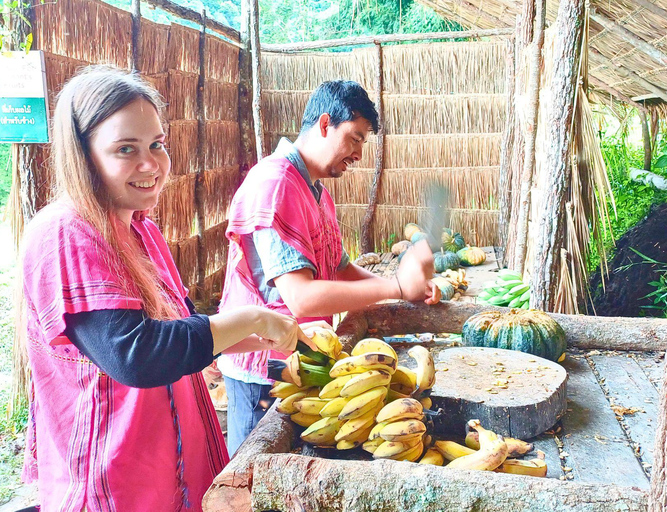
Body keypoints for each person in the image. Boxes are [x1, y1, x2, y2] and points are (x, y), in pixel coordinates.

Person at [19, 66, 313, 511]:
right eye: (125, 149)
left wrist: (235, 340)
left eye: (157, 144)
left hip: (170, 470)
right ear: (83, 155)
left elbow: (175, 330)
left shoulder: (142, 231)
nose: (150, 164)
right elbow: (136, 355)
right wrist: (251, 317)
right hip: (117, 481)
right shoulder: (66, 233)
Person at [218, 79, 440, 455]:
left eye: (362, 144)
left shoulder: (316, 191)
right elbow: (301, 298)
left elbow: (340, 268)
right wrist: (397, 287)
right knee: (254, 483)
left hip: (303, 355)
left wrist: (403, 289)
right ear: (324, 124)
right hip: (265, 368)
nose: (357, 154)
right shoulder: (276, 184)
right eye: (354, 138)